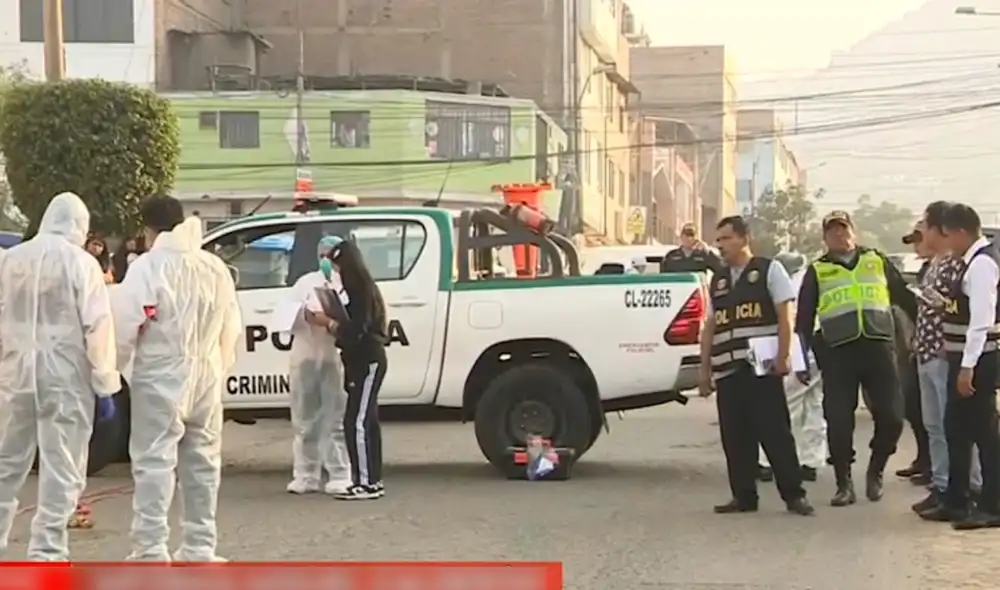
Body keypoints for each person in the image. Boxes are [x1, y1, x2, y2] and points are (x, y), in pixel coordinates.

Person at [112, 195, 242, 560]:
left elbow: (126, 325)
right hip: (207, 373)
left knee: (154, 462)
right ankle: (201, 546)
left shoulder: (147, 268)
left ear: (148, 228)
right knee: (203, 462)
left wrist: (114, 370)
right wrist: (220, 365)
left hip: (158, 373)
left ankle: (151, 548)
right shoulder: (213, 266)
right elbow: (232, 325)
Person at [0, 192, 120, 561]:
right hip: (65, 378)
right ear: (79, 227)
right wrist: (105, 383)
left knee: (6, 462)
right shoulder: (81, 264)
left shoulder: (10, 260)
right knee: (62, 463)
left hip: (14, 375)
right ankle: (47, 551)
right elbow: (97, 327)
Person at [796, 210, 916, 507]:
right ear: (825, 237)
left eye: (844, 229)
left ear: (854, 232)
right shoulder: (818, 270)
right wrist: (801, 361)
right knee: (838, 420)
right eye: (833, 231)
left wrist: (919, 336)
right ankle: (843, 483)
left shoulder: (876, 260)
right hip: (838, 352)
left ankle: (875, 470)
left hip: (878, 349)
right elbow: (802, 321)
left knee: (892, 416)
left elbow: (904, 299)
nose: (840, 235)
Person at [699, 216, 814, 516]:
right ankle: (744, 496)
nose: (720, 245)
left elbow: (784, 316)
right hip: (728, 370)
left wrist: (784, 355)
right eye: (718, 240)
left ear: (743, 238)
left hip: (761, 369)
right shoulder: (719, 280)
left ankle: (794, 495)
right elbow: (710, 326)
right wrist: (704, 370)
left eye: (726, 239)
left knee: (775, 433)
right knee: (735, 438)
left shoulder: (768, 270)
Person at [919, 203, 1000, 530]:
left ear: (963, 231)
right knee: (956, 429)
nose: (948, 242)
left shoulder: (981, 265)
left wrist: (967, 367)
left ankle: (992, 504)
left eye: (950, 235)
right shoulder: (969, 263)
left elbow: (981, 320)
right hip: (961, 357)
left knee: (984, 433)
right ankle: (956, 499)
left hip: (979, 359)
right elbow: (962, 310)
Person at [911, 202, 981, 516]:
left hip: (944, 351)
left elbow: (961, 307)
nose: (921, 233)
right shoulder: (934, 263)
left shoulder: (958, 263)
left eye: (924, 226)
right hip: (926, 351)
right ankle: (941, 484)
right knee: (934, 425)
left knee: (953, 425)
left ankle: (968, 485)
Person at [315, 239, 389, 500]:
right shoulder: (355, 289)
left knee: (356, 421)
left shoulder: (361, 290)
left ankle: (365, 482)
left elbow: (356, 329)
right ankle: (371, 480)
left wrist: (330, 324)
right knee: (367, 421)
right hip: (359, 360)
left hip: (367, 359)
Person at [284, 236, 352, 495]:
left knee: (335, 417)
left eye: (330, 253)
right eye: (321, 253)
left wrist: (330, 319)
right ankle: (306, 474)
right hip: (306, 357)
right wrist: (305, 315)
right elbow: (287, 313)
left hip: (334, 358)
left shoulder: (347, 283)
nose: (325, 259)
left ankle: (340, 472)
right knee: (305, 419)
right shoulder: (305, 283)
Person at [757, 252, 828, 483]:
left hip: (800, 349)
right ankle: (811, 461)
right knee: (814, 405)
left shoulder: (789, 284)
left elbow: (793, 322)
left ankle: (770, 462)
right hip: (818, 347)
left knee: (788, 407)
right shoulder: (811, 279)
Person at [892, 222, 931, 486]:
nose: (916, 246)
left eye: (920, 238)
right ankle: (924, 458)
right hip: (918, 349)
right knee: (915, 407)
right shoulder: (927, 269)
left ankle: (933, 467)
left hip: (936, 351)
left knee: (932, 415)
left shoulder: (949, 266)